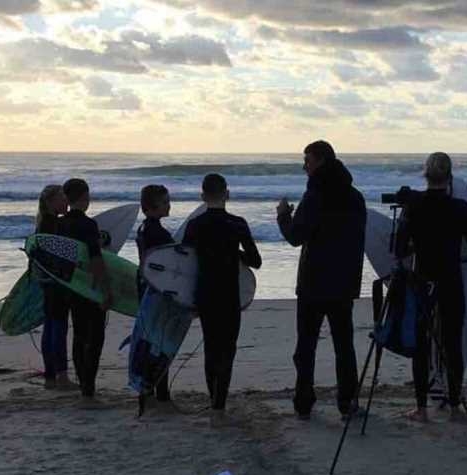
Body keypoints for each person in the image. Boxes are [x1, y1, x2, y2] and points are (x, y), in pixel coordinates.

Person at [276, 141, 366, 421]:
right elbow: (358, 241)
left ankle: (304, 401)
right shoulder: (354, 196)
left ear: (321, 161)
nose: (304, 166)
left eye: (308, 160)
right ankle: (347, 401)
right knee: (344, 346)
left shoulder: (315, 196)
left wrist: (283, 216)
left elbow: (295, 237)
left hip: (314, 282)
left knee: (306, 345)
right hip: (343, 282)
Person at [395, 152, 467, 422]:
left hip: (422, 279)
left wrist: (415, 244)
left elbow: (400, 248)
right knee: (453, 342)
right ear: (450, 177)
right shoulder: (460, 208)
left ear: (426, 174)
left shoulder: (414, 205)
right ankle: (455, 403)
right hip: (451, 279)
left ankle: (421, 408)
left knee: (420, 344)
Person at [184, 174, 261, 418]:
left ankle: (212, 397)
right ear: (227, 194)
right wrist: (237, 254)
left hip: (205, 293)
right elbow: (256, 261)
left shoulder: (195, 225)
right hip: (229, 294)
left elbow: (184, 263)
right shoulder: (238, 223)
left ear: (203, 196)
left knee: (211, 346)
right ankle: (220, 403)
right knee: (228, 348)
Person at [59, 178, 112, 399]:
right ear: (84, 197)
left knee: (79, 335)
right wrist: (105, 290)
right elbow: (95, 260)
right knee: (95, 338)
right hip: (90, 288)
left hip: (70, 286)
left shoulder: (59, 224)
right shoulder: (88, 224)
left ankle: (84, 384)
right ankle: (88, 388)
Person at [135, 184, 174, 402]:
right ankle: (160, 392)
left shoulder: (143, 228)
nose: (169, 205)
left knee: (151, 339)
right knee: (161, 342)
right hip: (157, 290)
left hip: (145, 286)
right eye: (165, 202)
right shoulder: (158, 232)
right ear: (151, 207)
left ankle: (150, 389)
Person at [35, 185, 72, 390]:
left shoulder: (43, 222)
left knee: (50, 328)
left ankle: (51, 377)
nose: (66, 202)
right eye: (62, 198)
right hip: (56, 283)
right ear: (51, 202)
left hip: (47, 282)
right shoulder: (53, 224)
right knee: (58, 329)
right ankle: (62, 378)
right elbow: (62, 255)